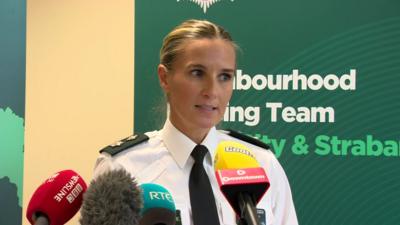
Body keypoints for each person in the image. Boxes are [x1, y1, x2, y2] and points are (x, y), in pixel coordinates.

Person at [93, 19, 298, 225]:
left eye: (225, 76)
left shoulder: (261, 164)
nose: (212, 91)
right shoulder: (121, 169)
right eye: (197, 73)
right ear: (165, 78)